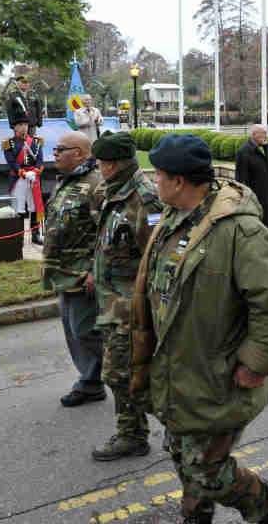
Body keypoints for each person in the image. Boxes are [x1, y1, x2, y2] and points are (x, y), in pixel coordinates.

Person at [130, 133, 268, 524]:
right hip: (178, 371)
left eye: (159, 175)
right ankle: (196, 516)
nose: (155, 182)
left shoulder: (240, 231)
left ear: (179, 181)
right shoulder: (176, 216)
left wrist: (254, 364)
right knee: (184, 455)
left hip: (216, 375)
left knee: (207, 470)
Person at [89, 131, 163, 462]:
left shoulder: (144, 199)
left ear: (117, 164)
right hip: (111, 303)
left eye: (102, 163)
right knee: (120, 374)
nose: (99, 168)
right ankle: (136, 430)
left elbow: (157, 257)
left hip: (129, 308)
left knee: (119, 374)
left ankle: (134, 434)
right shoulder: (114, 191)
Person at [43, 131, 105, 406]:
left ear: (79, 153)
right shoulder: (66, 182)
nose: (54, 153)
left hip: (83, 274)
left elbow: (107, 234)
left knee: (84, 330)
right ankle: (90, 380)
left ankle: (101, 380)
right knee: (72, 330)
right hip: (63, 272)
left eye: (60, 149)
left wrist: (95, 270)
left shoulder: (96, 185)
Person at [3, 117, 45, 245]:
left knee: (34, 207)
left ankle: (35, 235)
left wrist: (35, 171)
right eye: (20, 124)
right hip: (18, 179)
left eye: (25, 124)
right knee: (18, 207)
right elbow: (11, 162)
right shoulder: (8, 143)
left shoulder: (36, 142)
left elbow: (40, 161)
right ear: (14, 127)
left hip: (33, 178)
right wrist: (23, 173)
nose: (24, 127)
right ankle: (18, 237)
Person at [235, 123, 268, 236]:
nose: (265, 136)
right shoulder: (244, 151)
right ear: (254, 134)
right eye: (262, 133)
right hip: (255, 195)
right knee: (257, 225)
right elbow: (241, 178)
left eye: (266, 133)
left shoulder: (267, 148)